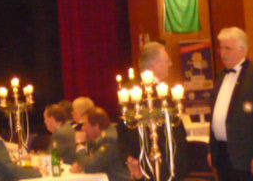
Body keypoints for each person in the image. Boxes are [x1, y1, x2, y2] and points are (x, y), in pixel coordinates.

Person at [209, 27, 253, 181]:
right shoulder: (220, 76)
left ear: (243, 50)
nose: (222, 53)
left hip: (246, 156)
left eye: (228, 48)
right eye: (221, 48)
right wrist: (211, 149)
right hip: (222, 153)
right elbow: (216, 115)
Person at [118, 41, 188, 181]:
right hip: (152, 162)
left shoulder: (162, 90)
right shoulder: (135, 93)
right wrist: (131, 159)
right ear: (154, 64)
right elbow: (127, 129)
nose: (170, 64)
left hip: (168, 160)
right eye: (166, 61)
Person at [71, 107, 131, 181]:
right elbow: (92, 160)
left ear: (96, 126)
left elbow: (90, 167)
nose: (82, 128)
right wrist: (81, 164)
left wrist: (80, 145)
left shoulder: (109, 139)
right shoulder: (98, 136)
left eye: (85, 124)